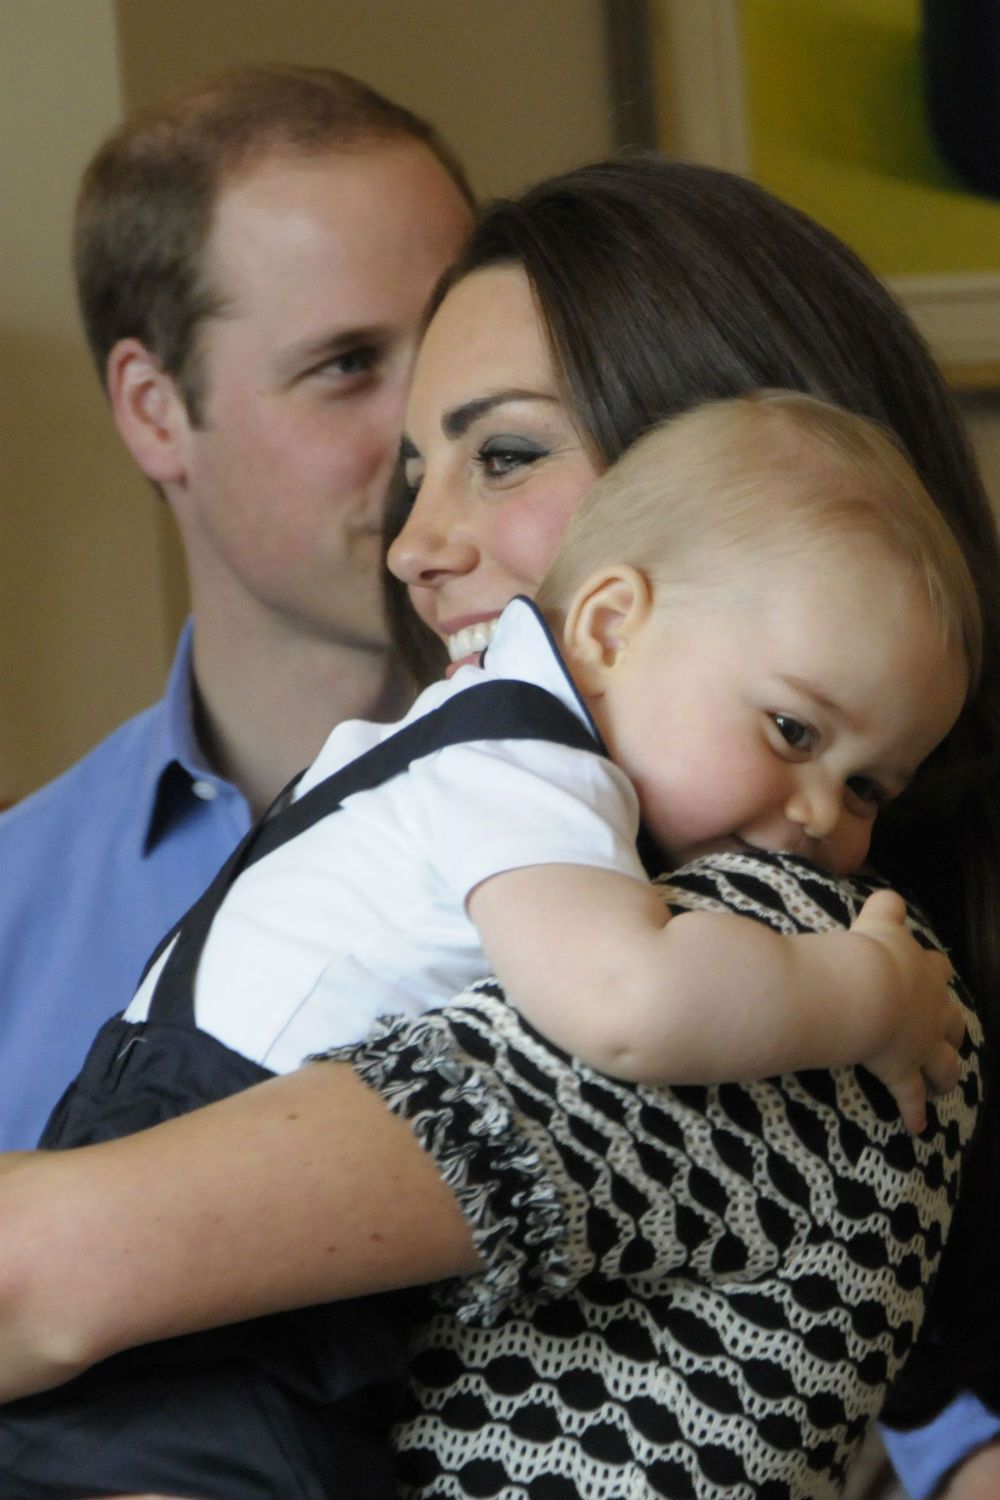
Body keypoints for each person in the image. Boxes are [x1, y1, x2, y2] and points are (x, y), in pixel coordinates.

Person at [0, 158, 998, 1500]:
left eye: (507, 452)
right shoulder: (521, 830)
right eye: (422, 465)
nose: (415, 544)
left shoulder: (773, 961)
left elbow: (37, 1277)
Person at [0, 63, 473, 1150]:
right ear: (155, 414)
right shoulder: (14, 916)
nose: (430, 429)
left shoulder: (674, 808)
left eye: (453, 342)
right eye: (348, 364)